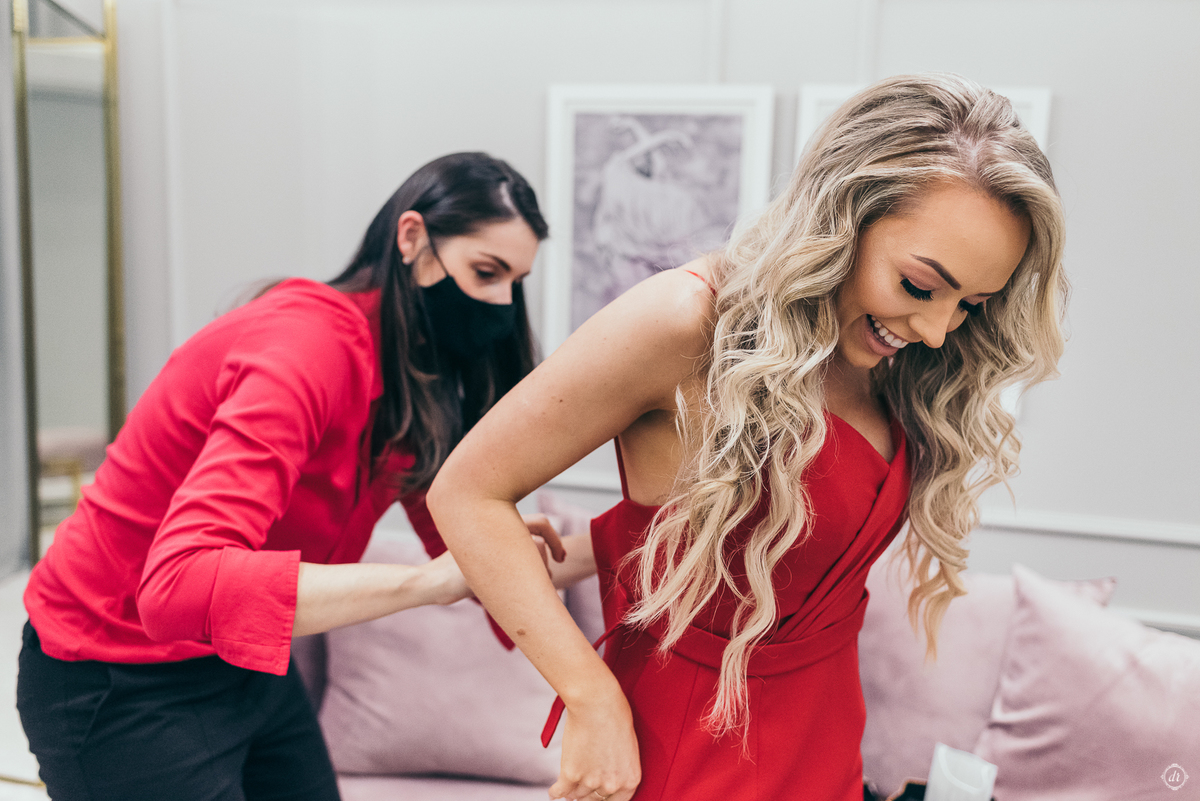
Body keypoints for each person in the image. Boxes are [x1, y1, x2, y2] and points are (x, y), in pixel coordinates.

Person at [427, 74, 1068, 801]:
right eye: (921, 286)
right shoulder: (686, 323)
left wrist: (590, 552)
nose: (935, 329)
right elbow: (468, 490)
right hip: (694, 753)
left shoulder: (889, 357)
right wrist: (589, 696)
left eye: (971, 304)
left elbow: (739, 529)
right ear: (842, 214)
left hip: (826, 747)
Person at [17, 152, 577, 801]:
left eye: (515, 281)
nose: (501, 302)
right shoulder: (305, 348)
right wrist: (425, 583)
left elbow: (466, 549)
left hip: (240, 660)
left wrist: (631, 542)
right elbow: (174, 586)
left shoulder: (405, 376)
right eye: (486, 271)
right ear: (412, 237)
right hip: (116, 671)